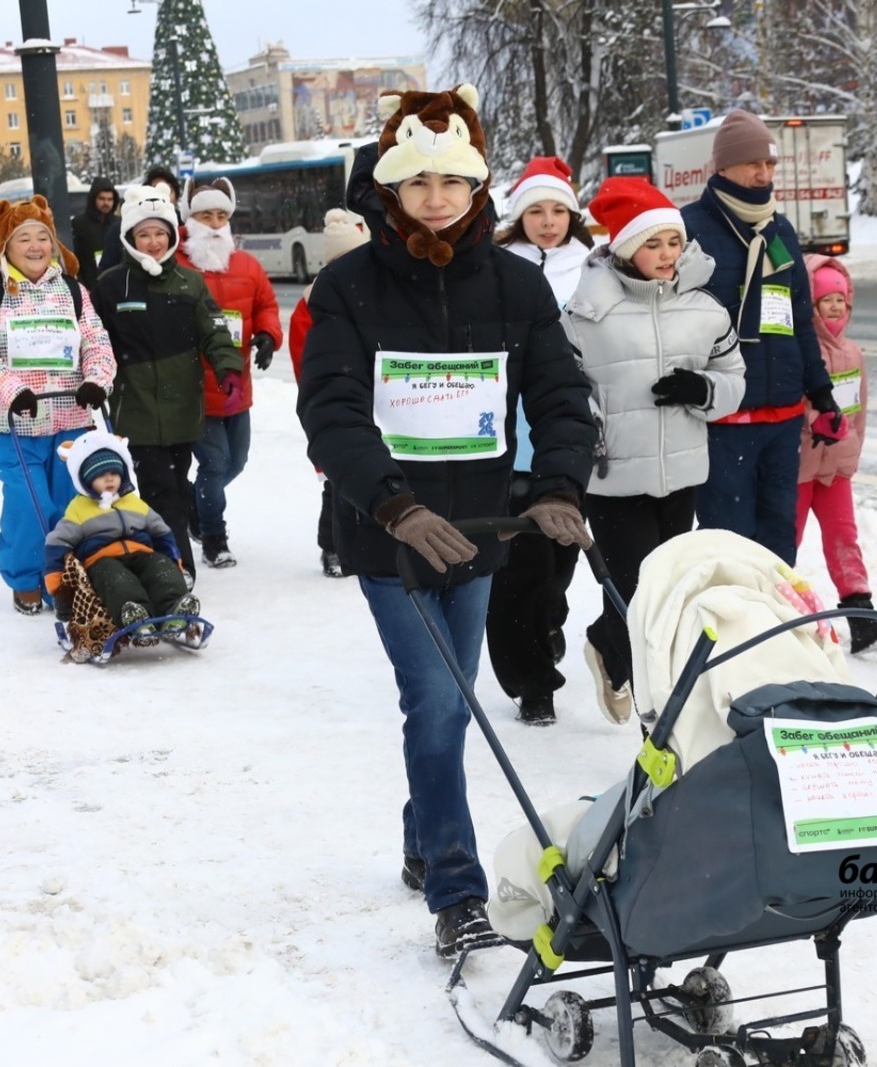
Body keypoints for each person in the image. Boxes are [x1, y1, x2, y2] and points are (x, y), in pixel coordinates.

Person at [297, 84, 595, 958]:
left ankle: (424, 836)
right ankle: (458, 891)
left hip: (483, 528)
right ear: (390, 189)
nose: (436, 197)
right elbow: (333, 408)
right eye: (419, 181)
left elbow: (560, 392)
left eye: (453, 181)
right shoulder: (348, 286)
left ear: (478, 188)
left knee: (451, 704)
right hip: (393, 533)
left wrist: (558, 485)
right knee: (435, 699)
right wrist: (393, 503)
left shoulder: (513, 283)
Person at [567, 177, 743, 725]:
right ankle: (654, 709)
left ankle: (606, 645)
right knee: (640, 594)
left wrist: (704, 391)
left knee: (664, 591)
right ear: (623, 248)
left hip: (683, 471)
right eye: (652, 244)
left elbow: (734, 378)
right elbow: (563, 388)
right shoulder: (585, 312)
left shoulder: (706, 309)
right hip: (614, 474)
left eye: (674, 241)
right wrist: (587, 424)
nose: (667, 255)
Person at [682, 110, 835, 564]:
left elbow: (799, 319)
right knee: (728, 541)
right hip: (723, 417)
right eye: (753, 164)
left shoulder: (779, 230)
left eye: (769, 165)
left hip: (783, 415)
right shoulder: (690, 228)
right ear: (722, 167)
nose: (763, 175)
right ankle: (731, 631)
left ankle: (773, 629)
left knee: (778, 541)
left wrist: (821, 391)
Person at [0, 194, 116, 615]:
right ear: (6, 246)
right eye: (23, 238)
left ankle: (61, 580)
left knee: (69, 508)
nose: (35, 247)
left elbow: (97, 342)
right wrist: (11, 390)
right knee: (30, 508)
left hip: (69, 419)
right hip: (15, 421)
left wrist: (96, 381)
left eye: (42, 237)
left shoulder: (71, 289)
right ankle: (26, 577)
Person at [484, 155, 597, 724]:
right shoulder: (497, 270)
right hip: (506, 447)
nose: (548, 221)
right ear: (518, 216)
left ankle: (547, 621)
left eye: (558, 210)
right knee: (517, 571)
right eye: (535, 211)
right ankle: (532, 683)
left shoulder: (597, 269)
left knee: (557, 569)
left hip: (570, 445)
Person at [92, 186, 242, 581]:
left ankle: (161, 554)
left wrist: (229, 369)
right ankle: (179, 569)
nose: (153, 242)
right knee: (160, 490)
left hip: (181, 411)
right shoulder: (111, 285)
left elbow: (214, 332)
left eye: (160, 233)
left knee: (175, 484)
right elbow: (93, 340)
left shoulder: (189, 284)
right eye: (144, 234)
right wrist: (94, 380)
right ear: (130, 238)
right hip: (135, 410)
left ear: (173, 235)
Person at [794, 254, 877, 654]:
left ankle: (860, 609)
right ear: (811, 306)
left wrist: (853, 451)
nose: (835, 307)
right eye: (826, 300)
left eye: (841, 300)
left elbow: (859, 411)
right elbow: (795, 403)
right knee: (788, 538)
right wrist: (811, 423)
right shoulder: (802, 349)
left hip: (837, 466)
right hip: (802, 463)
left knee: (843, 536)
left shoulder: (853, 353)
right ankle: (773, 605)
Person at [182, 177, 283, 568]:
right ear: (191, 218)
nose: (213, 222)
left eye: (221, 214)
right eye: (205, 214)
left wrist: (268, 336)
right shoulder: (180, 264)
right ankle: (213, 536)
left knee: (236, 462)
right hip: (194, 384)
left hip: (236, 382)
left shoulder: (247, 264)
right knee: (215, 464)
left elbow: (266, 305)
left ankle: (194, 500)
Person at [45, 429, 199, 637]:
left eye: (114, 473)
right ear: (86, 479)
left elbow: (161, 531)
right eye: (100, 475)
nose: (109, 479)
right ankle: (135, 614)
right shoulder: (79, 509)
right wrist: (59, 589)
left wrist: (172, 560)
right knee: (116, 578)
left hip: (141, 553)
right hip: (101, 560)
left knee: (160, 569)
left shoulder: (133, 502)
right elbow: (57, 543)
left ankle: (174, 609)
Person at [288, 208, 368, 579]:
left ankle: (364, 542)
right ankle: (332, 546)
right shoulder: (310, 300)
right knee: (337, 482)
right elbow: (304, 361)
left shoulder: (378, 294)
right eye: (339, 258)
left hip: (376, 401)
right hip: (333, 403)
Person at [102, 166, 182, 271]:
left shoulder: (185, 227)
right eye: (144, 235)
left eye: (168, 190)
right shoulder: (122, 229)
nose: (157, 197)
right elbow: (107, 269)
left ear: (176, 196)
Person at [72, 176, 117, 292]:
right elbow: (75, 258)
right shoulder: (79, 224)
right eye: (102, 199)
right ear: (94, 199)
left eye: (110, 199)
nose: (106, 203)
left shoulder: (119, 224)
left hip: (115, 286)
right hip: (89, 287)